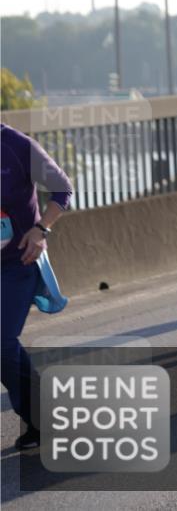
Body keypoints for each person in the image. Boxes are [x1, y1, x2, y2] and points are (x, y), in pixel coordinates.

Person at [1, 123, 74, 450]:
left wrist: (41, 228)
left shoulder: (16, 145)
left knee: (1, 342)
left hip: (18, 263)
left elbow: (62, 189)